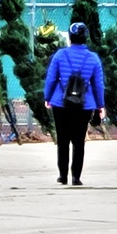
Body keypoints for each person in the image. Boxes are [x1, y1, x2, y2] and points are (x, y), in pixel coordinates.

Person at [43, 22, 105, 186]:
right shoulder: (93, 58)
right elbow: (98, 85)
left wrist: (48, 97)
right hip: (84, 105)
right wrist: (100, 105)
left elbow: (51, 78)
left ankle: (62, 175)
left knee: (62, 139)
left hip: (61, 103)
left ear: (70, 38)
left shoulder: (60, 55)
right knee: (79, 141)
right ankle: (76, 176)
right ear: (86, 38)